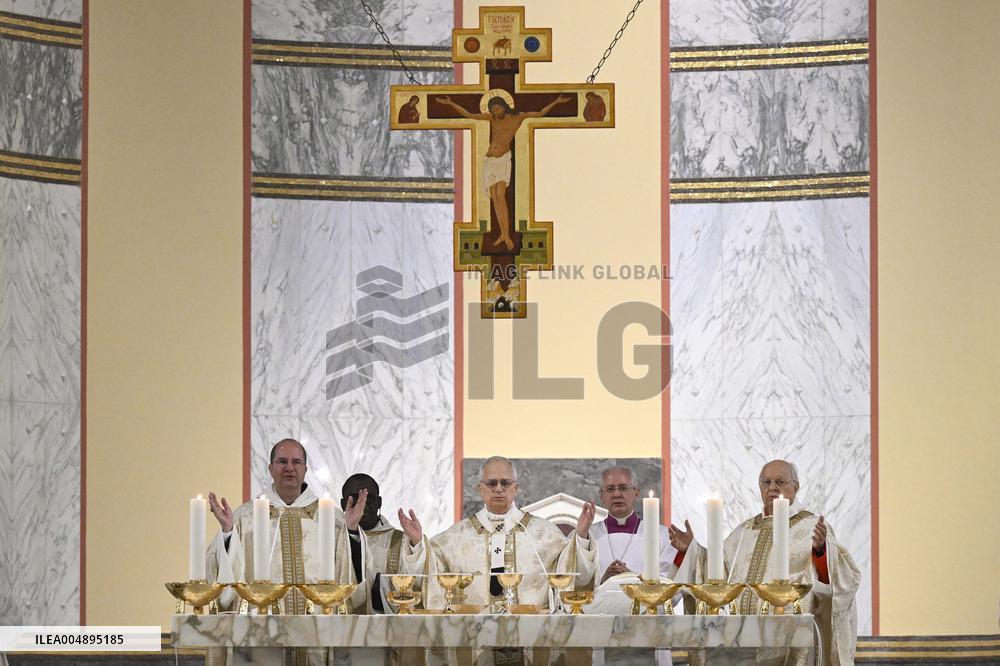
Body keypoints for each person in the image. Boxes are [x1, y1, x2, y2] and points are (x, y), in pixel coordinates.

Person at [670, 460, 861, 666]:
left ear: (795, 487)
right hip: (740, 643)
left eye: (780, 481)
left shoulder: (812, 527)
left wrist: (821, 552)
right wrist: (691, 550)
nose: (773, 488)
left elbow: (837, 581)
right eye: (766, 482)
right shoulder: (745, 531)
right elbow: (716, 574)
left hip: (790, 642)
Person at [204, 439, 367, 665]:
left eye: (296, 462)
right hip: (262, 631)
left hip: (317, 630)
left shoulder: (331, 517)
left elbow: (350, 577)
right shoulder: (245, 517)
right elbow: (223, 583)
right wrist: (228, 532)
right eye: (282, 461)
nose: (289, 467)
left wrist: (350, 531)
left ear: (305, 470)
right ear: (270, 469)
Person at [399, 456, 597, 610]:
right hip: (475, 639)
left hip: (529, 637)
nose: (499, 489)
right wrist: (417, 543)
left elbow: (572, 573)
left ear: (516, 487)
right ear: (480, 489)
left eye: (505, 483)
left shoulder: (544, 533)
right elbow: (431, 570)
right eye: (492, 483)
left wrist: (580, 536)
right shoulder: (456, 537)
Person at [435, 94, 572, 250]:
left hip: (502, 160)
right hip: (489, 161)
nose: (494, 111)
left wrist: (556, 101)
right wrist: (451, 103)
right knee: (494, 199)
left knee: (501, 197)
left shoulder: (519, 117)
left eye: (496, 108)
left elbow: (540, 113)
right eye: (492, 109)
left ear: (504, 106)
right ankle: (503, 234)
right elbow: (469, 115)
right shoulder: (492, 119)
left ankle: (506, 235)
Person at [340, 473, 421, 614]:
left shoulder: (400, 541)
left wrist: (417, 543)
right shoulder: (335, 541)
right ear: (343, 504)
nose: (362, 504)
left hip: (390, 629)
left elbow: (420, 585)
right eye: (355, 498)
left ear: (379, 502)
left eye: (368, 498)